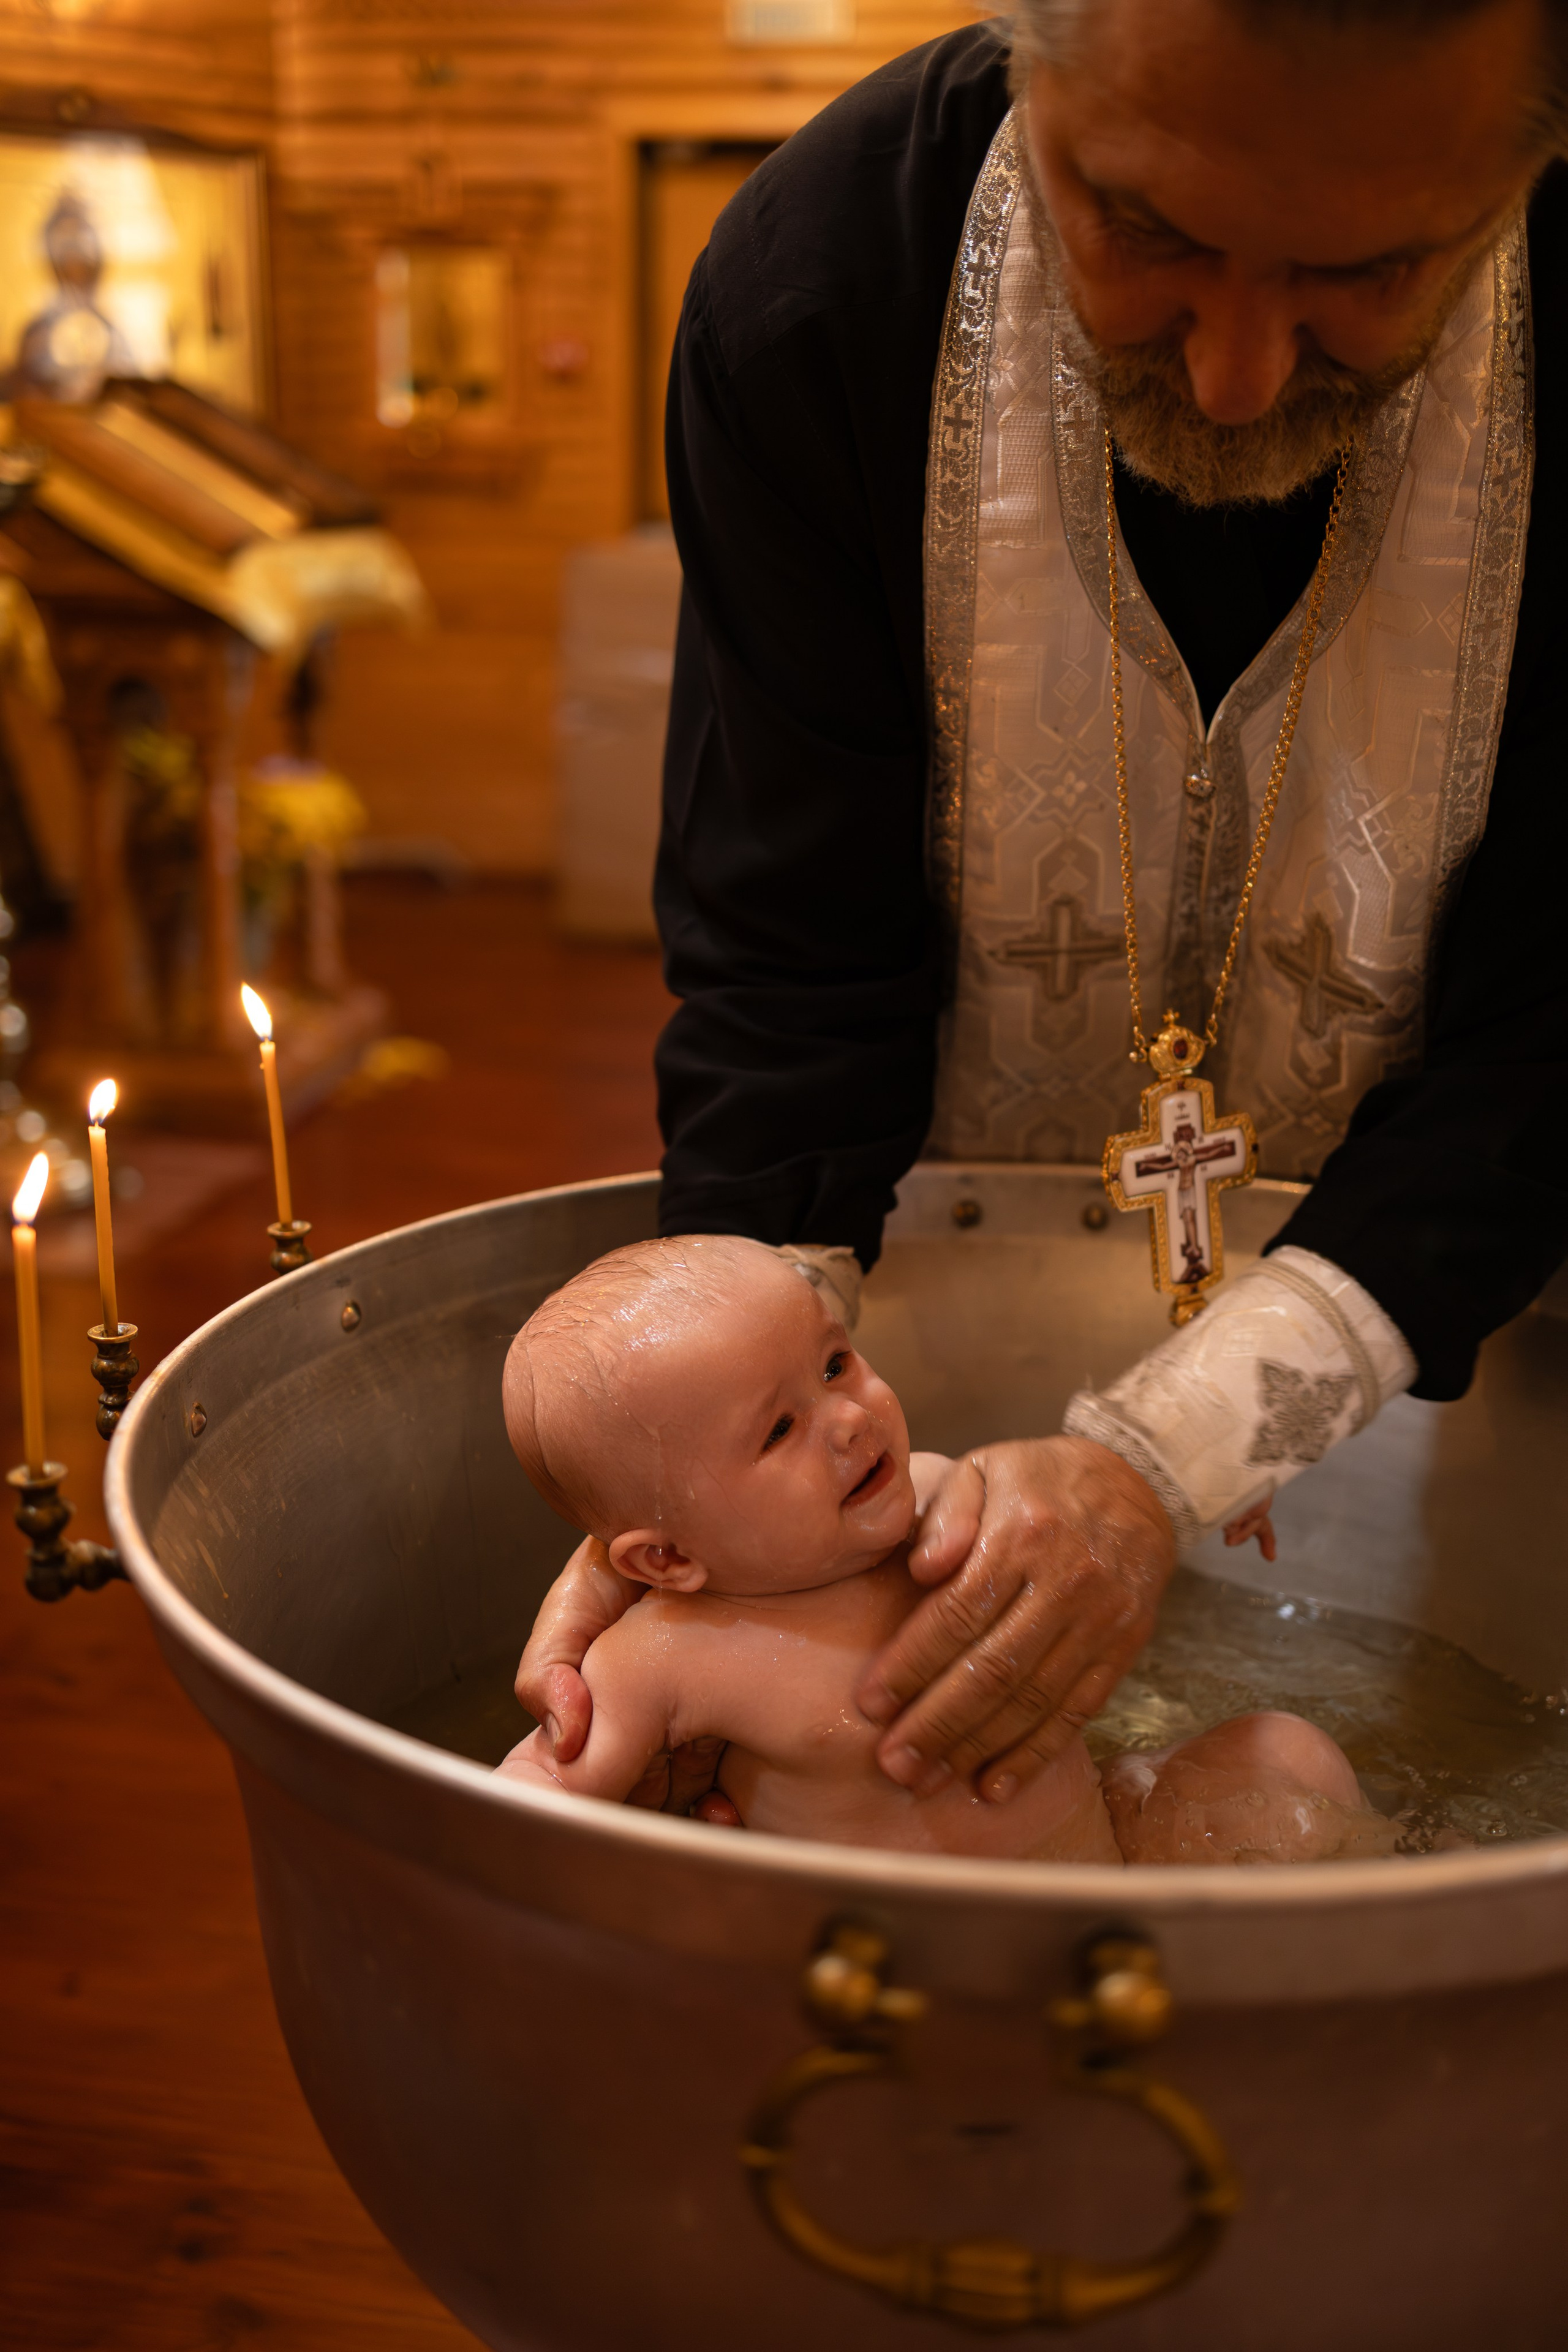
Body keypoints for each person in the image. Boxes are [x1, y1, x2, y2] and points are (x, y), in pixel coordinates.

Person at [521, 0, 1568, 1815]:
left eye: (1376, 269)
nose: (1239, 376)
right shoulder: (820, 290)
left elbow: (1559, 1029)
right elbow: (791, 956)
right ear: (1030, 53)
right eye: (1143, 229)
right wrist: (697, 1482)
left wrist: (1168, 1462)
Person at [499, 1238, 1378, 1866]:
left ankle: (1408, 1902)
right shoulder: (664, 1654)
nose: (849, 1417)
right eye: (777, 1429)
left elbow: (1071, 1532)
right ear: (663, 1561)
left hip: (1108, 1872)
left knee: (1287, 1754)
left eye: (836, 1364)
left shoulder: (937, 1493)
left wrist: (1223, 1477)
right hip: (898, 1971)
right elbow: (525, 1804)